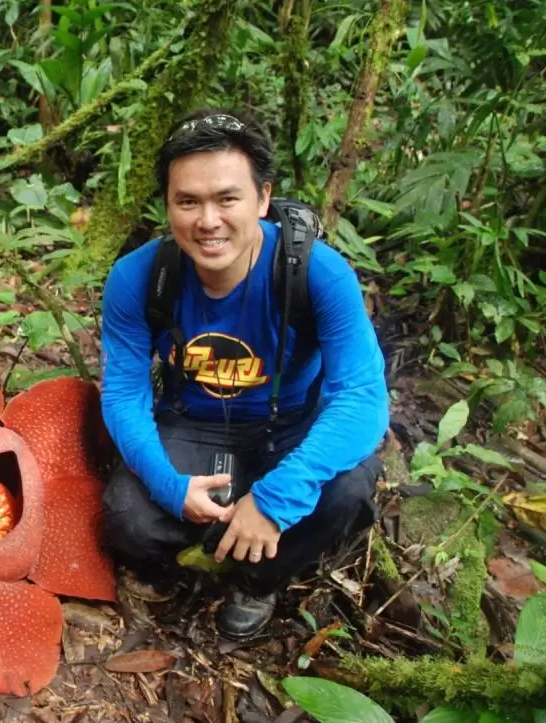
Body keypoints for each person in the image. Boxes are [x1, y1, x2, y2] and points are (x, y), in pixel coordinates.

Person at [99, 110, 388, 638]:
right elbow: (123, 392)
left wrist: (276, 499)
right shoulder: (141, 277)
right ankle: (180, 563)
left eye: (227, 198)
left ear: (262, 198)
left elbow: (362, 397)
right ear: (168, 204)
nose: (207, 220)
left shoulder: (316, 274)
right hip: (195, 423)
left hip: (291, 427)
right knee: (128, 515)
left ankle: (256, 582)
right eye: (187, 201)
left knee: (348, 490)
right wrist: (169, 485)